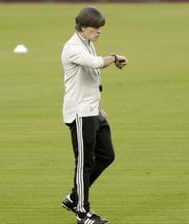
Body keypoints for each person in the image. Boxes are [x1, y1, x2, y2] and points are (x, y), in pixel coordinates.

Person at [60, 6, 128, 224]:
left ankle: (73, 197)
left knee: (107, 155)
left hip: (92, 111)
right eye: (95, 28)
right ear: (82, 28)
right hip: (80, 114)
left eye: (101, 28)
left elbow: (91, 80)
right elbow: (95, 63)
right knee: (84, 163)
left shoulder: (87, 43)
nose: (99, 31)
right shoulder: (72, 47)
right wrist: (115, 56)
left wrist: (99, 107)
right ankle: (82, 213)